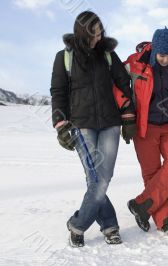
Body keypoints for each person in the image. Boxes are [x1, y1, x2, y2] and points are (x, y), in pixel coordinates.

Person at [50, 11, 136, 247]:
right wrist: (60, 124)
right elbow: (58, 93)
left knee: (103, 178)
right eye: (93, 35)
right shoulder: (64, 57)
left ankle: (78, 223)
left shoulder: (108, 55)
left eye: (100, 34)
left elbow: (124, 83)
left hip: (110, 122)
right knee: (96, 178)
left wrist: (128, 115)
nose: (97, 39)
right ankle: (109, 226)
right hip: (81, 124)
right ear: (81, 33)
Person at [113, 27, 168, 236]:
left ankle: (140, 205)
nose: (166, 59)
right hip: (144, 126)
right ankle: (165, 220)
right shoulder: (135, 62)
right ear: (155, 49)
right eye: (162, 55)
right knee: (152, 173)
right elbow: (117, 85)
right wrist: (127, 115)